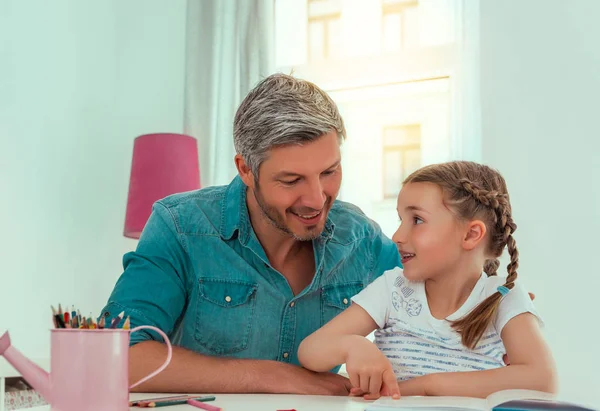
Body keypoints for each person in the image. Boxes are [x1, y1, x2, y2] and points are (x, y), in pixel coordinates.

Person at [99, 73, 400, 395]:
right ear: (245, 169)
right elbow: (113, 356)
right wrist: (274, 377)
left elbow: (441, 297)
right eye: (290, 180)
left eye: (329, 172)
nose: (316, 199)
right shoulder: (180, 227)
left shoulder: (361, 238)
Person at [298, 161, 557, 399]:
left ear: (471, 234)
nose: (398, 235)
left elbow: (541, 378)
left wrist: (427, 386)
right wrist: (351, 345)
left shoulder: (503, 299)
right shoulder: (393, 290)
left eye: (417, 220)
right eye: (401, 220)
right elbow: (310, 351)